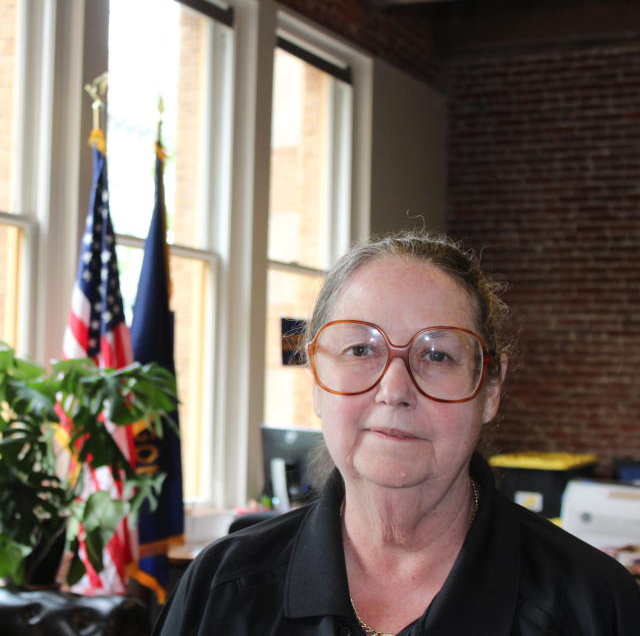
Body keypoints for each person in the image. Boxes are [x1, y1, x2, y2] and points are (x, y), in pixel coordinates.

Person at [153, 231, 640, 635]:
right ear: (317, 383)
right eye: (361, 350)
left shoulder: (596, 607)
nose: (394, 389)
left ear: (490, 389)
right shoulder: (218, 592)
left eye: (437, 355)